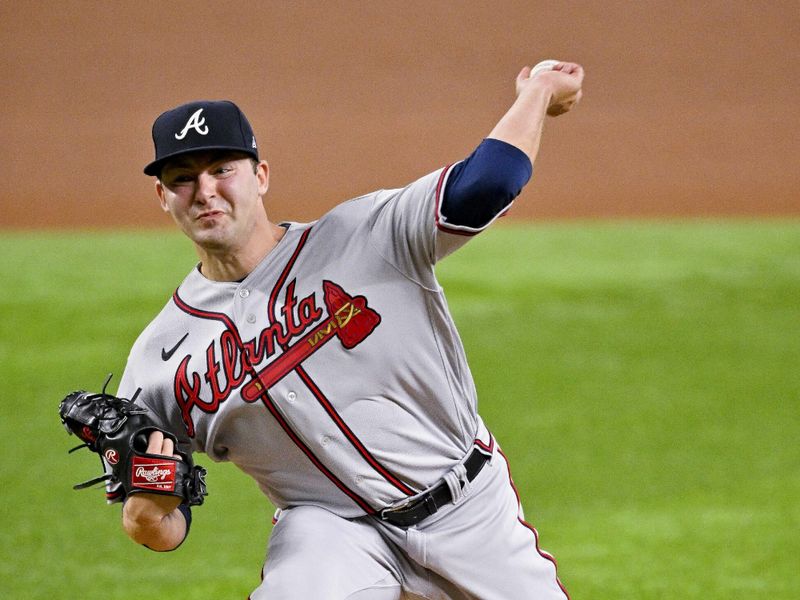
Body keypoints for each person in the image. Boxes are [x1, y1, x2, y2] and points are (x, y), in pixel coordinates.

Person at [118, 61, 583, 599]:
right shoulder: (158, 359)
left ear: (260, 175)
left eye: (222, 169)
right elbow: (159, 530)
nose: (205, 191)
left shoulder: (367, 234)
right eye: (182, 179)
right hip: (331, 534)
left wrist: (539, 91)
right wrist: (149, 507)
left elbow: (491, 182)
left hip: (467, 509)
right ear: (163, 197)